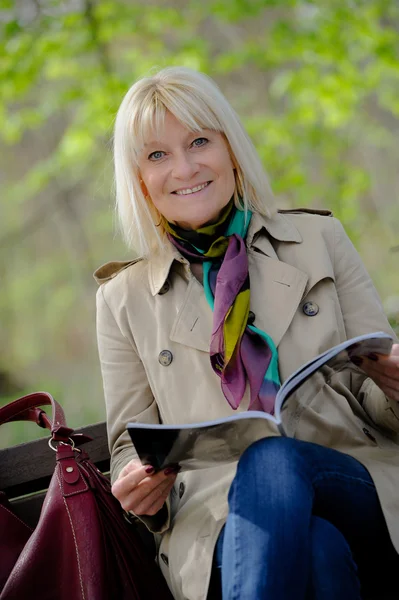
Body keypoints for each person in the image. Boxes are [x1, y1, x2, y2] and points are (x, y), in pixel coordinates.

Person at [94, 66, 399, 600]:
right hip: (219, 519)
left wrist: (395, 384)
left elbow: (373, 383)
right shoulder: (122, 300)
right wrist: (136, 484)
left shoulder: (318, 239)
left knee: (274, 460)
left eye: (199, 142)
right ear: (137, 177)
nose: (185, 167)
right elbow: (128, 444)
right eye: (158, 155)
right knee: (317, 551)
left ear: (230, 147)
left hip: (353, 478)